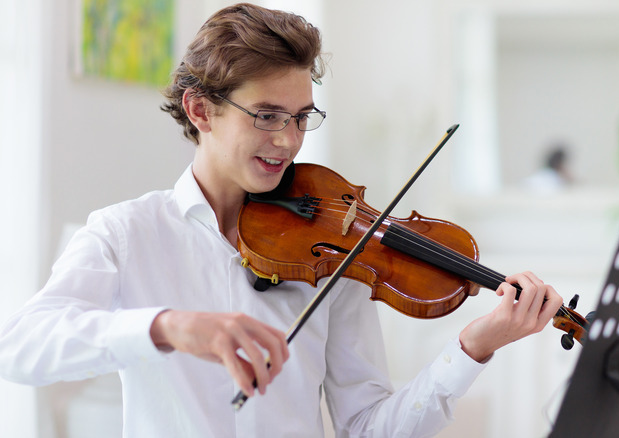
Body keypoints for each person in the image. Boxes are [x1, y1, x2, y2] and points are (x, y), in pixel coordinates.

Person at [0, 3, 563, 437]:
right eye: (267, 116)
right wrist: (168, 326)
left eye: (300, 117)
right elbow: (21, 348)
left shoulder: (334, 250)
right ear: (201, 110)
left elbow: (367, 428)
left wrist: (473, 346)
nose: (288, 141)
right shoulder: (126, 233)